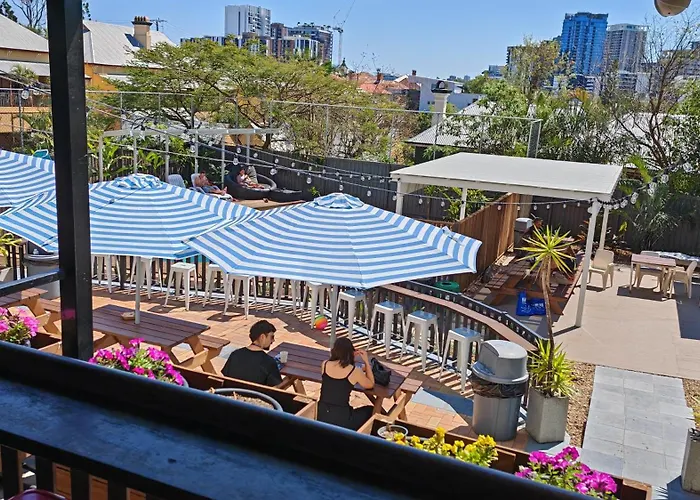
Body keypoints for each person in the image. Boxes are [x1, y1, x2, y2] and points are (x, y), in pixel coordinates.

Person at [318, 337, 375, 430]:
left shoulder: (325, 364)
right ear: (350, 352)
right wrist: (366, 362)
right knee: (371, 410)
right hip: (342, 420)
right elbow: (370, 384)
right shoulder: (354, 371)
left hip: (322, 415)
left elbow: (339, 366)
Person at [221, 320, 282, 386]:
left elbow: (225, 376)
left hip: (230, 392)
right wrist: (288, 380)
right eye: (272, 337)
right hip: (254, 393)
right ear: (262, 337)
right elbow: (275, 388)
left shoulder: (235, 354)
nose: (273, 340)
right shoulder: (269, 362)